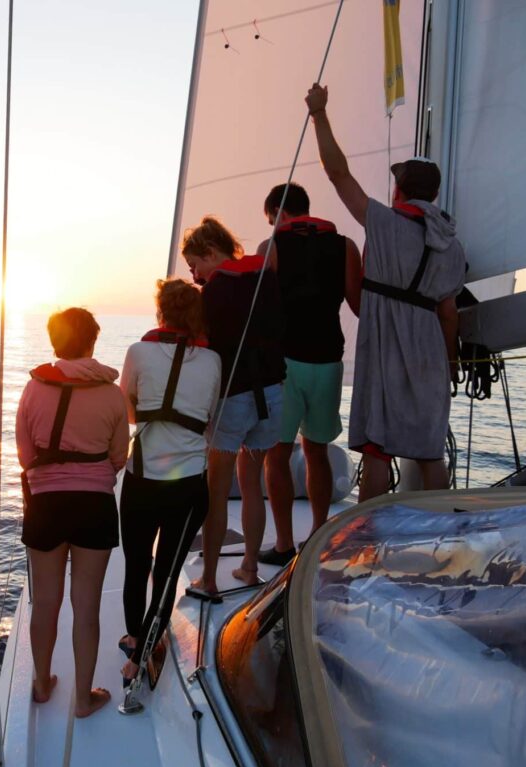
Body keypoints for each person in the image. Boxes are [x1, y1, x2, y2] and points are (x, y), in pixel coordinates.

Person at [305, 82, 466, 501]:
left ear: (400, 189)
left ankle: (370, 539)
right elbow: (449, 313)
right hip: (431, 346)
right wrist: (448, 364)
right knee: (432, 454)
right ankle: (439, 535)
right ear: (433, 193)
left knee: (377, 452)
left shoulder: (383, 221)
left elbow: (338, 174)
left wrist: (320, 114)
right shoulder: (453, 243)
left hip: (386, 341)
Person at [15, 307, 129, 718]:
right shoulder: (112, 393)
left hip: (45, 505)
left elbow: (26, 456)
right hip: (94, 506)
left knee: (45, 603)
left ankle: (42, 683)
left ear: (54, 342)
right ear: (92, 341)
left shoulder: (33, 389)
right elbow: (119, 457)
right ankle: (83, 699)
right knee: (87, 606)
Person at [117, 278, 221, 683]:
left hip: (141, 480)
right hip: (189, 487)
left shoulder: (138, 352)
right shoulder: (213, 362)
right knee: (167, 570)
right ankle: (145, 649)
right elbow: (209, 416)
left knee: (136, 566)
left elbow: (127, 411)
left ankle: (136, 645)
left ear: (161, 312)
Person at [254, 182, 361, 565]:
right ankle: (318, 539)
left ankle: (284, 544)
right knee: (317, 451)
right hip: (329, 361)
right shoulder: (345, 245)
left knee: (277, 454)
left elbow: (261, 311)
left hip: (284, 363)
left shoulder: (271, 249)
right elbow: (358, 303)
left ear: (277, 215)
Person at [181, 216, 285, 596]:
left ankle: (208, 579)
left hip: (234, 398)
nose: (196, 276)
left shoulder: (213, 293)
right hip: (272, 395)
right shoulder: (267, 278)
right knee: (253, 485)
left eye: (196, 266)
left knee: (217, 490)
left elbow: (202, 345)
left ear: (211, 252)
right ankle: (249, 567)